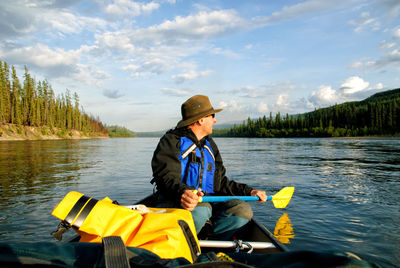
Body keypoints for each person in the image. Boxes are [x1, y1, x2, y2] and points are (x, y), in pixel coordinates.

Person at [151, 95, 267, 239]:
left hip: (205, 204)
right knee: (202, 210)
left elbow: (221, 183)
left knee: (242, 210)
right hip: (175, 202)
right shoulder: (171, 141)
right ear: (200, 120)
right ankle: (182, 247)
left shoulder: (210, 145)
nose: (215, 120)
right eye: (212, 116)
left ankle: (208, 241)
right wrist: (183, 193)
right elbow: (165, 177)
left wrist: (250, 191)